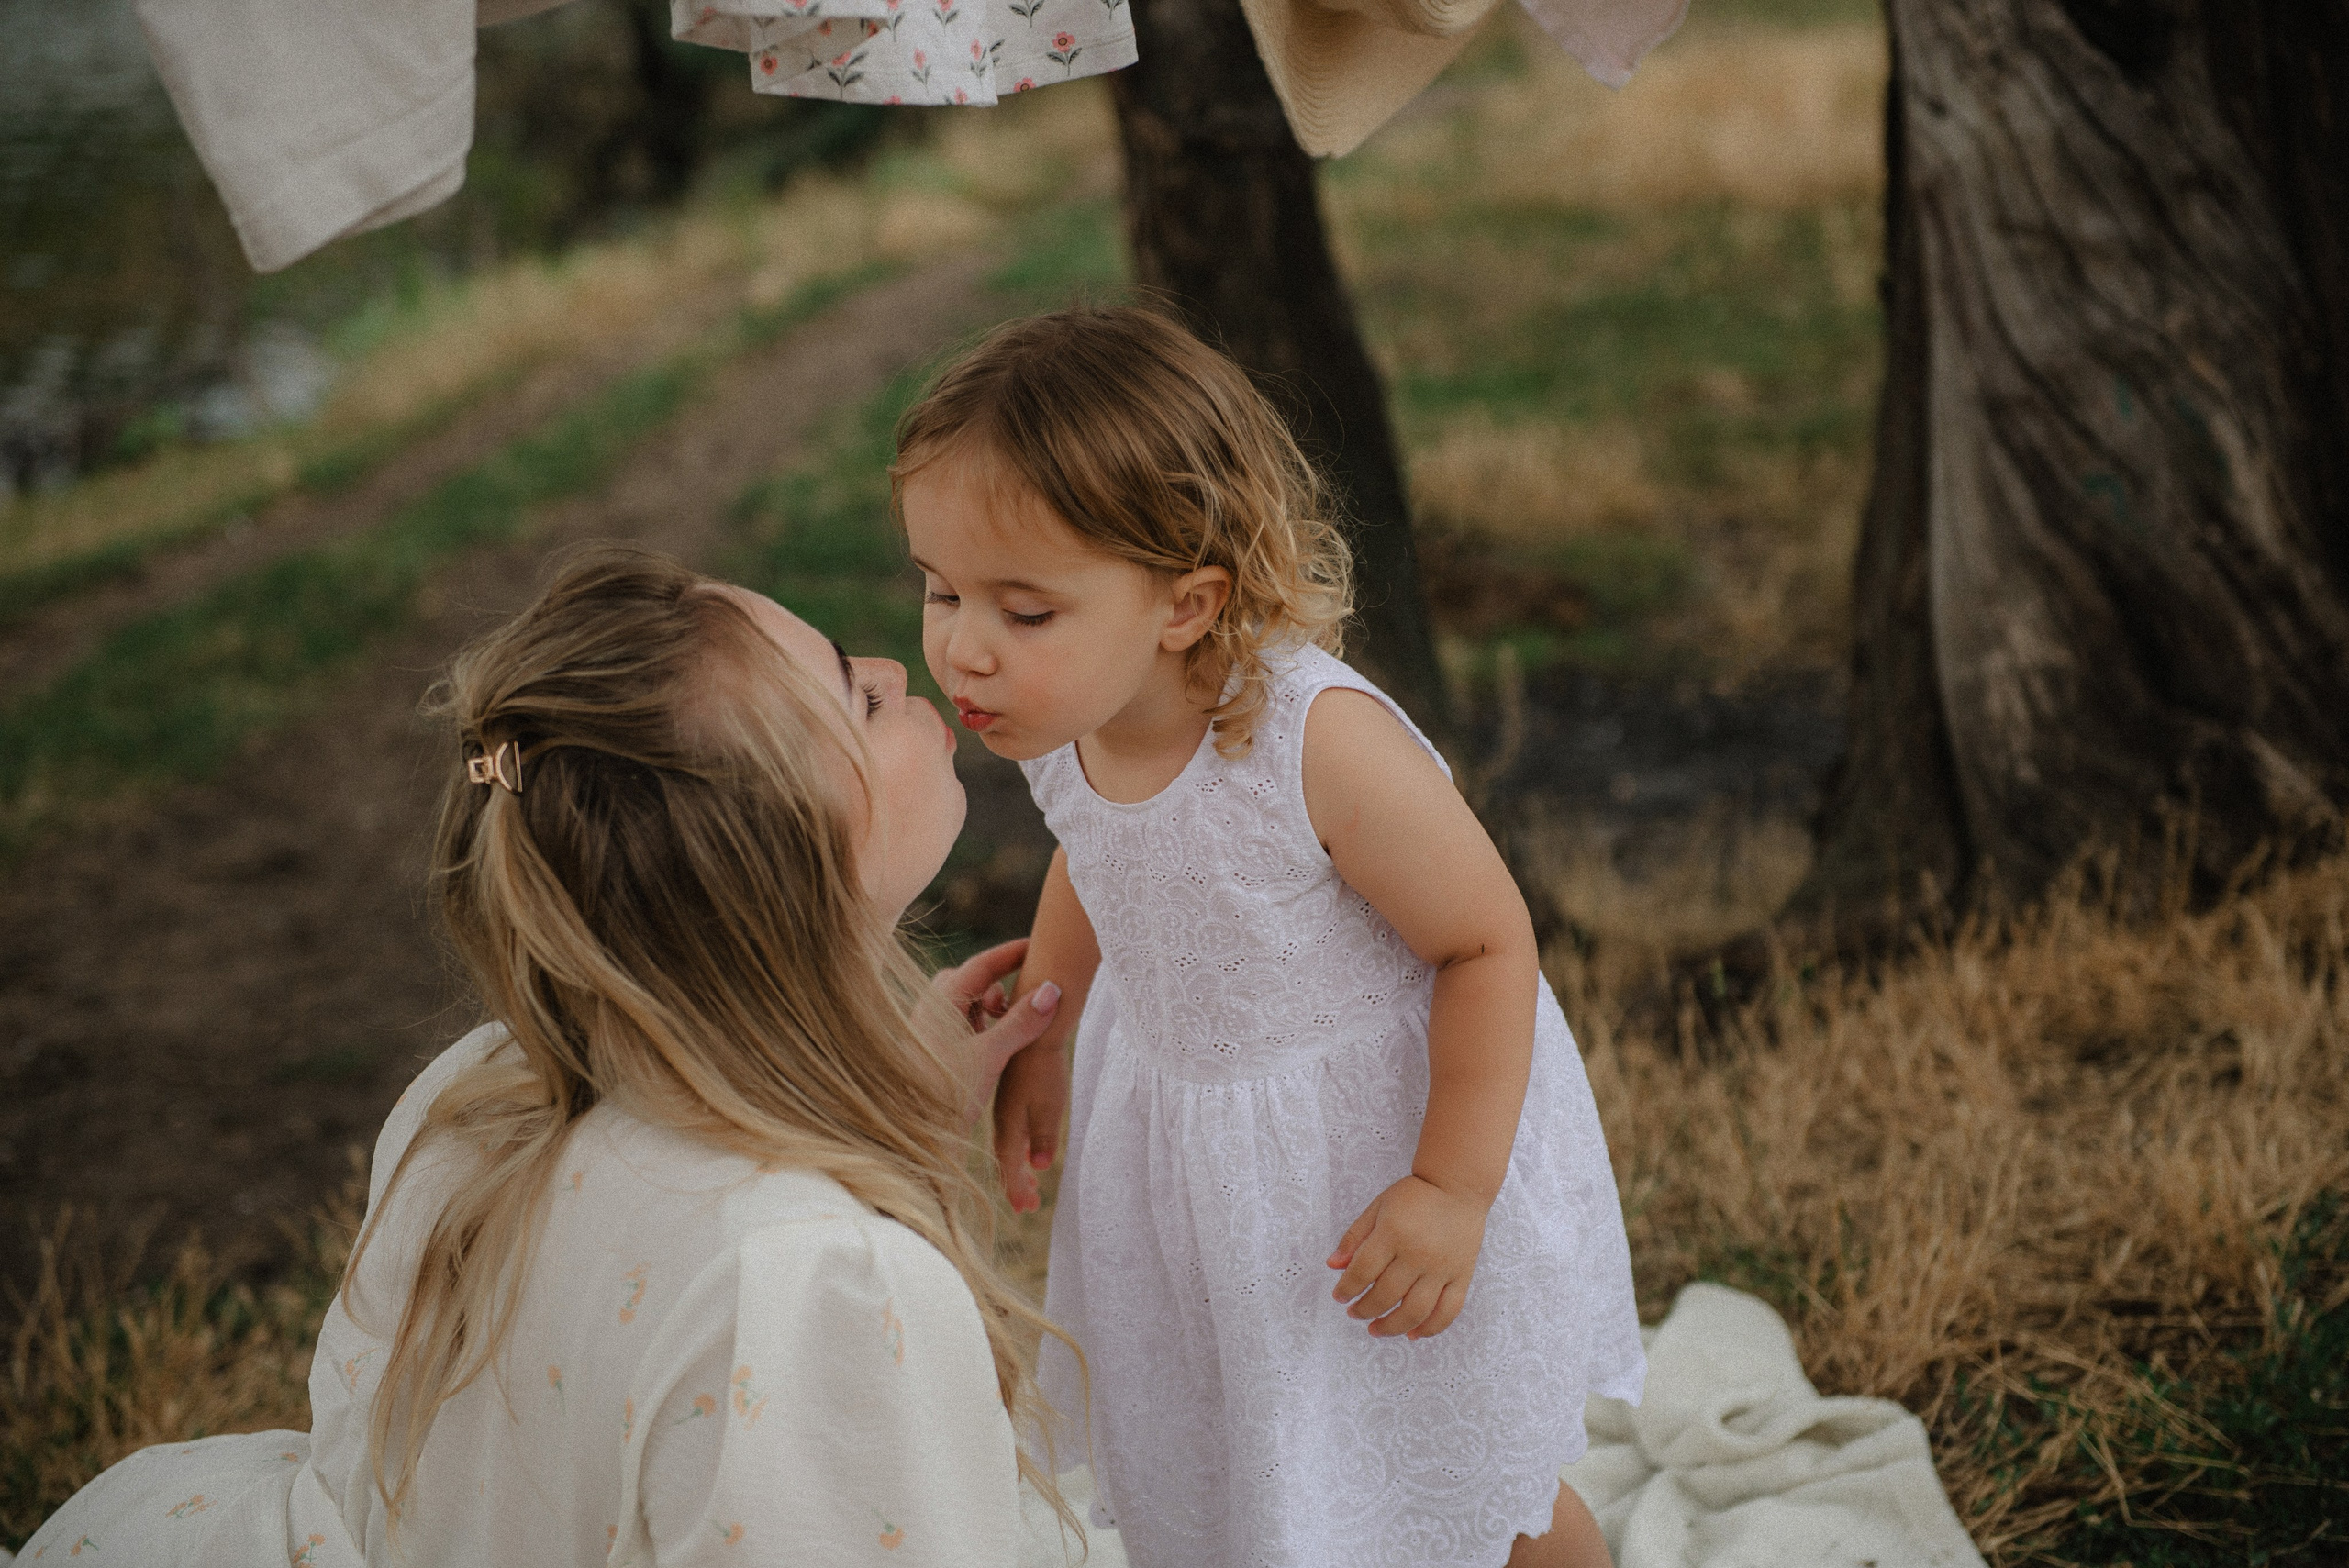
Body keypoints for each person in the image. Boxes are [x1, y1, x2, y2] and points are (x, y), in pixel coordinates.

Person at [18, 549, 1079, 1565]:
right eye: (859, 697)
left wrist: (896, 1105)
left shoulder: (482, 1097)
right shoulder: (812, 1286)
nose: (901, 666)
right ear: (784, 863)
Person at [896, 307, 1646, 1568]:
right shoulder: (1066, 720)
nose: (963, 647)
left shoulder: (1316, 744)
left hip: (1370, 1156)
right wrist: (1046, 1022)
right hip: (1196, 1165)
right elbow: (1099, 854)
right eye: (939, 590)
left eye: (1023, 612)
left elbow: (1486, 944)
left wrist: (1451, 1189)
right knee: (1265, 1454)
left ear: (1185, 603)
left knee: (1458, 1467)